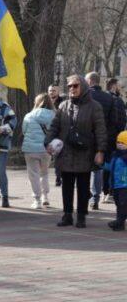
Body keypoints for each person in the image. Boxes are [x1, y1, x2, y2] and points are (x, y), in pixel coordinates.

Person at [46, 74, 106, 228]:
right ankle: (67, 215)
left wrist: (100, 151)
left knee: (83, 186)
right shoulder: (63, 106)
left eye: (75, 85)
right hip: (66, 153)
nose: (72, 89)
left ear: (83, 87)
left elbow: (100, 131)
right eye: (69, 86)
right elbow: (54, 126)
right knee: (66, 186)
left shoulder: (95, 106)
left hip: (84, 153)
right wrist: (48, 142)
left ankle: (81, 216)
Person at [85, 72, 116, 210]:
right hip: (102, 138)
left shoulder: (84, 97)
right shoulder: (109, 98)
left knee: (83, 168)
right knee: (97, 169)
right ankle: (95, 198)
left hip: (85, 138)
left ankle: (87, 194)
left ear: (90, 81)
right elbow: (114, 121)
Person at [21, 93, 56, 209]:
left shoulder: (29, 115)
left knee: (33, 175)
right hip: (46, 149)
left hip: (30, 149)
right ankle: (45, 196)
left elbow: (24, 131)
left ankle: (37, 200)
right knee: (44, 173)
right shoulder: (54, 115)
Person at [102, 77, 126, 205]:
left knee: (102, 167)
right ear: (113, 86)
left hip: (101, 137)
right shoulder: (117, 100)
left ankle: (101, 193)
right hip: (113, 138)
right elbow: (121, 121)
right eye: (119, 86)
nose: (120, 89)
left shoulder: (101, 99)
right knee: (113, 166)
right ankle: (110, 193)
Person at [0, 98, 18, 208]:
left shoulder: (4, 107)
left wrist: (0, 129)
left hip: (1, 145)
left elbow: (13, 122)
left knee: (0, 172)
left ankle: (5, 197)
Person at [105, 131, 127, 231]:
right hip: (116, 185)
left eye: (122, 143)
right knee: (118, 204)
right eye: (118, 142)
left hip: (124, 185)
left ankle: (119, 221)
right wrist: (102, 165)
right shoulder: (115, 155)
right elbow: (111, 167)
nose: (119, 144)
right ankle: (120, 223)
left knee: (123, 204)